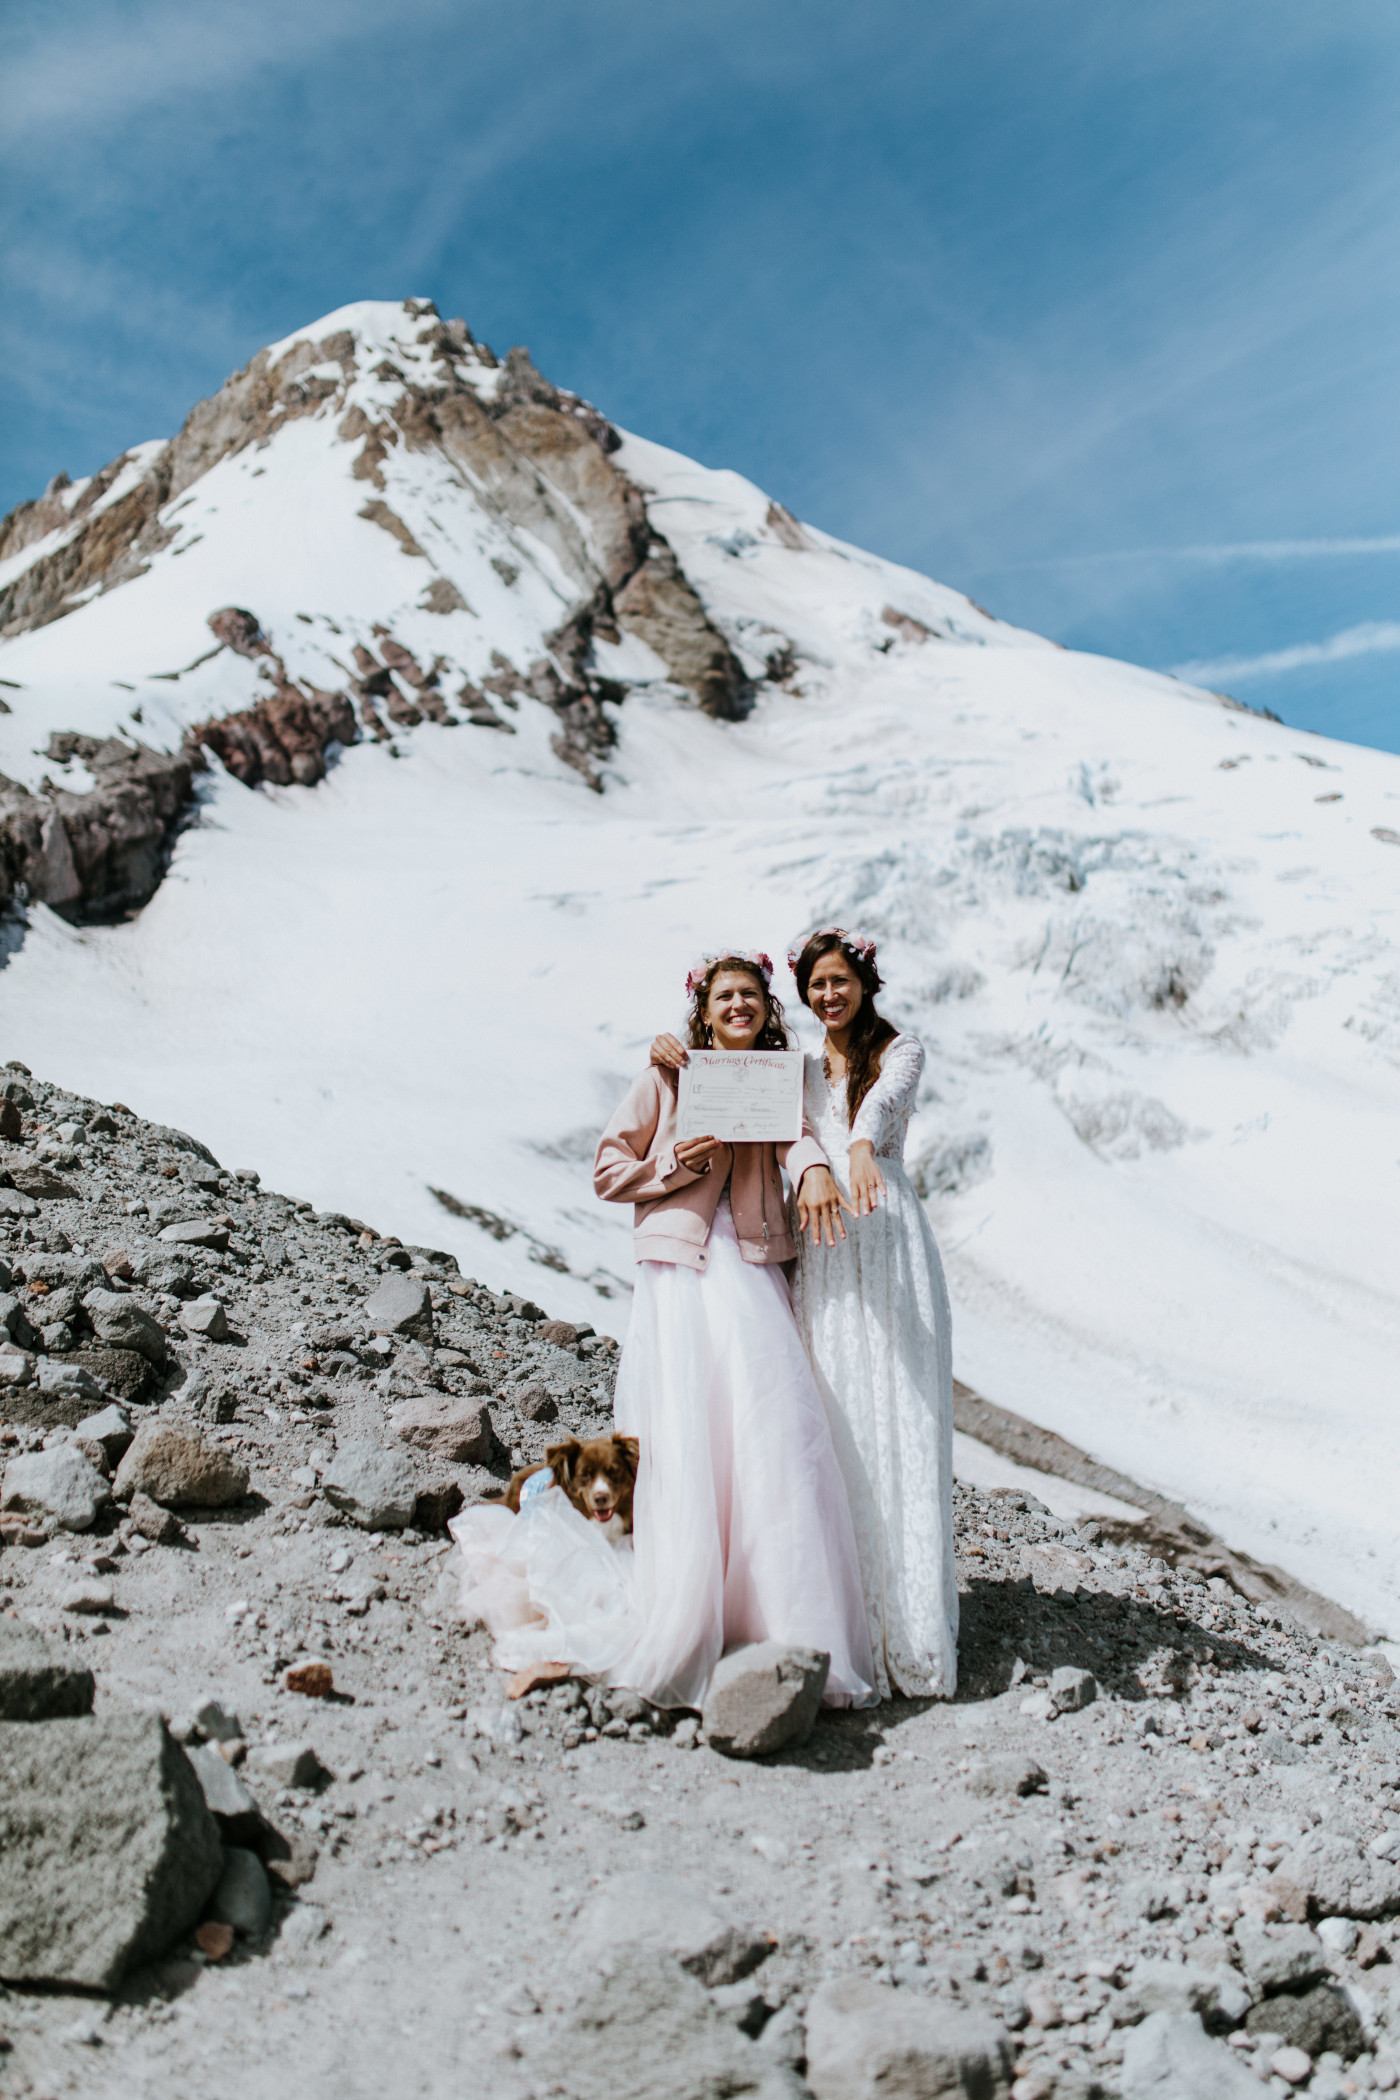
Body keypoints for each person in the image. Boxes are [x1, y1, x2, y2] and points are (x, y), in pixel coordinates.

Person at [450, 949, 875, 1714]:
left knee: (768, 1429)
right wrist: (675, 1164)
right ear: (703, 1011)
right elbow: (609, 1169)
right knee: (686, 1425)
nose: (739, 1006)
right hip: (681, 1272)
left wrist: (813, 1169)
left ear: (765, 1009)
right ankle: (684, 1601)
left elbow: (799, 1137)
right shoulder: (666, 1077)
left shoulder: (777, 1076)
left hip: (751, 1265)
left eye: (751, 995)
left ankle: (772, 1614)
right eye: (725, 996)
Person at [651, 928, 957, 1700]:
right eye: (816, 985)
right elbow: (752, 1114)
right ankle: (847, 1613)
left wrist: (852, 1150)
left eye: (840, 982)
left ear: (865, 984)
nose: (829, 996)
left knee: (903, 1418)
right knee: (832, 1416)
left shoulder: (902, 1051)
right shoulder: (791, 1069)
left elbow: (881, 1111)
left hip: (882, 1235)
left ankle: (912, 1631)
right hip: (821, 1247)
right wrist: (667, 1050)